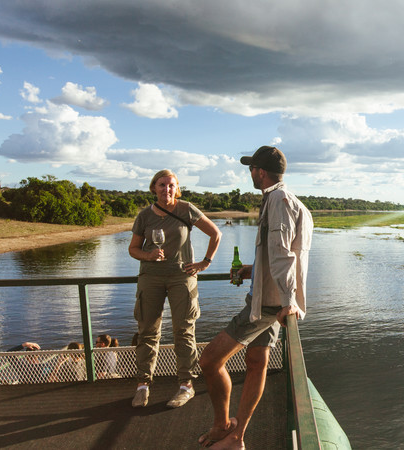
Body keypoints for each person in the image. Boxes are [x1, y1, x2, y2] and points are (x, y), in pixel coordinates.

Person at [198, 146, 313, 449]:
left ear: (260, 172)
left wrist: (289, 301)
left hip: (270, 305)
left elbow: (283, 255)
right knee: (257, 360)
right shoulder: (285, 200)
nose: (249, 172)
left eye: (251, 168)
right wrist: (251, 270)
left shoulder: (277, 200)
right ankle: (237, 437)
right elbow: (277, 254)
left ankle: (224, 426)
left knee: (209, 359)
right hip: (274, 300)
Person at [129, 169, 222, 409]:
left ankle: (186, 386)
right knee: (147, 332)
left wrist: (205, 262)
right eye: (162, 185)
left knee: (184, 331)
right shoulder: (144, 216)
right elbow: (133, 249)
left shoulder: (186, 209)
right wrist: (148, 255)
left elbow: (215, 233)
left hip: (182, 277)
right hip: (151, 277)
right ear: (154, 188)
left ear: (176, 188)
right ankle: (142, 386)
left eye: (171, 185)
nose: (167, 189)